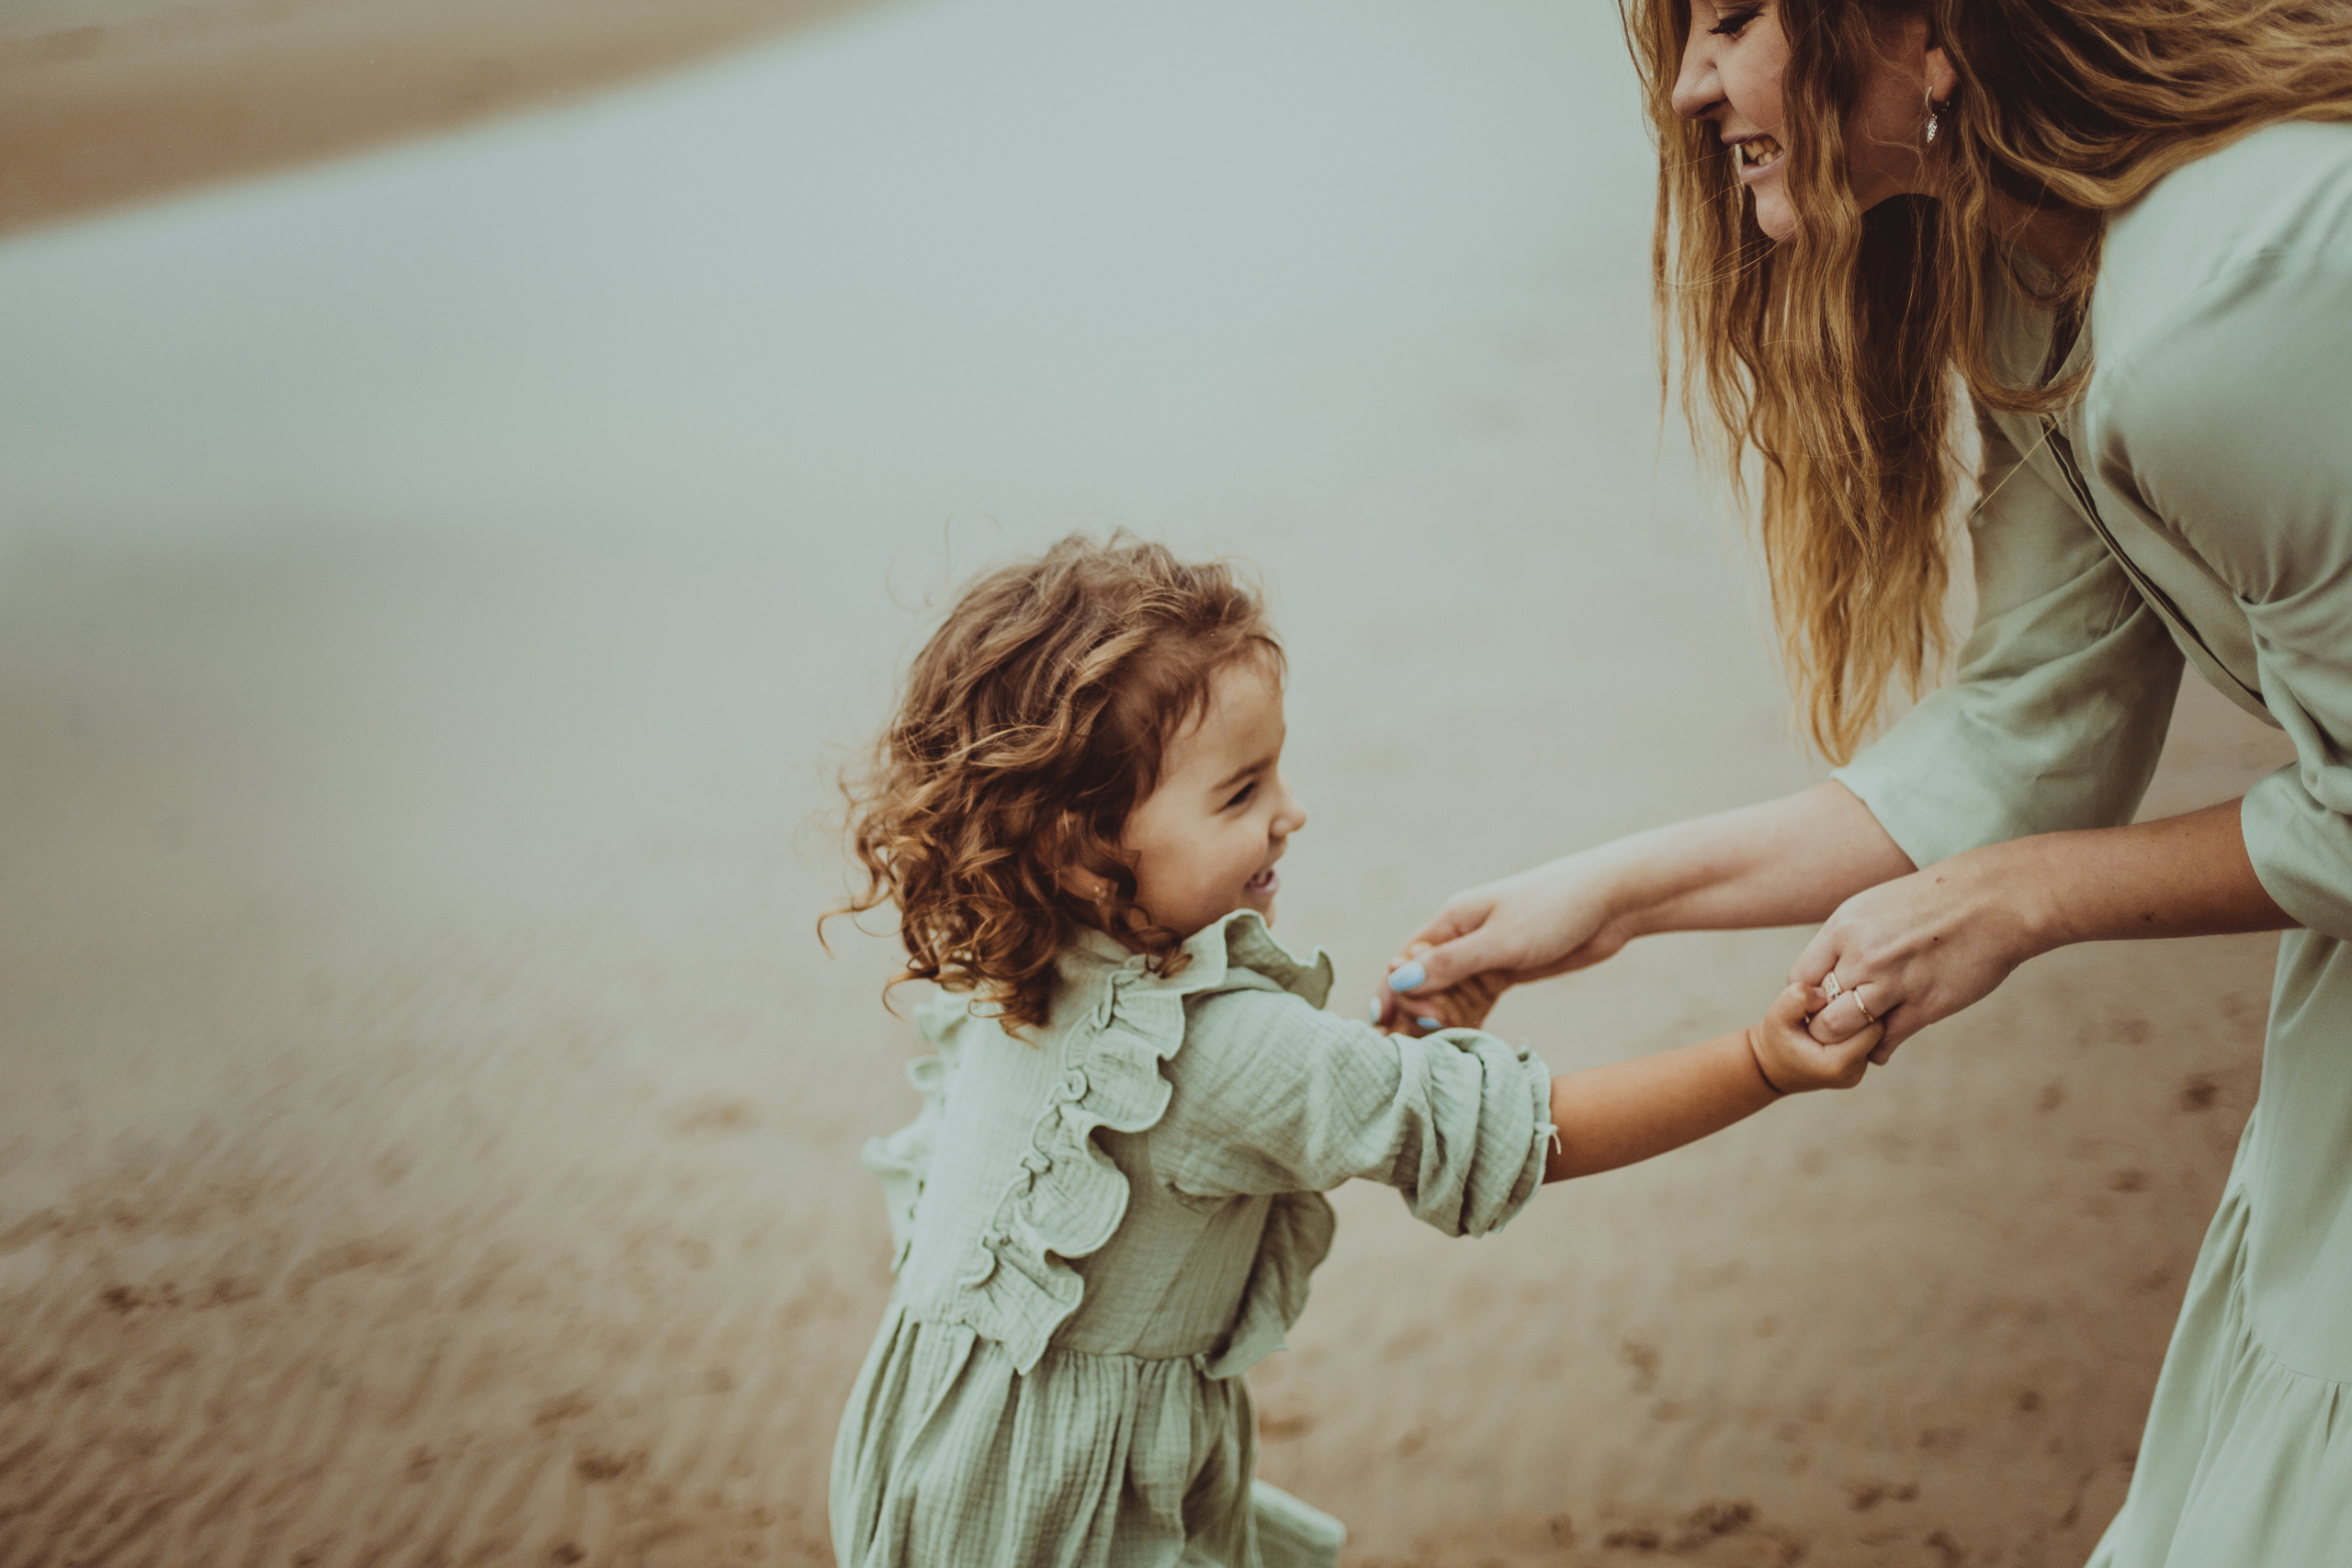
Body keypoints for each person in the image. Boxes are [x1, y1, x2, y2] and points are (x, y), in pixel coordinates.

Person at [1374, 0, 2352, 1561]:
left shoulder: (2227, 302)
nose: (1694, 85)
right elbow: (2031, 731)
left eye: (1734, 20)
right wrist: (1617, 896)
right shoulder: (2042, 290)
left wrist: (2019, 902)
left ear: (1922, 27)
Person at [825, 535, 1882, 1568]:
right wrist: (1760, 1061)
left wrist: (1392, 1049)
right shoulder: (1219, 1043)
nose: (1291, 814)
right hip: (1068, 1517)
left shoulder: (1015, 965)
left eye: (1274, 772)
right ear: (1080, 847)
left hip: (941, 1457)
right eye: (1239, 794)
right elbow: (1519, 1133)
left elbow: (1226, 1127)